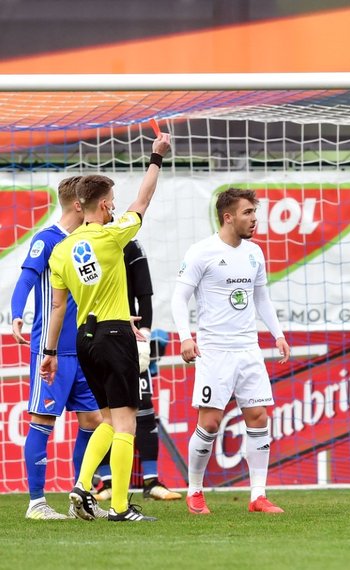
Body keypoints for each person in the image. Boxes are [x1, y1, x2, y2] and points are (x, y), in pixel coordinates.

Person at [40, 134, 172, 523]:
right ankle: (119, 507)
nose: (115, 207)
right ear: (102, 205)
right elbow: (143, 201)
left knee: (107, 419)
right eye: (112, 202)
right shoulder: (112, 234)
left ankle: (82, 487)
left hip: (84, 340)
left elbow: (59, 305)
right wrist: (156, 158)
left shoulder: (61, 250)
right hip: (115, 335)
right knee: (127, 420)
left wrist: (48, 354)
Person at [172, 187, 291, 515]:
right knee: (210, 423)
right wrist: (185, 337)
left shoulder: (254, 253)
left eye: (255, 212)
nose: (254, 219)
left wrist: (278, 335)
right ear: (228, 217)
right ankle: (194, 492)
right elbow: (178, 298)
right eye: (248, 213)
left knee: (258, 417)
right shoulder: (202, 252)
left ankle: (258, 495)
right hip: (215, 351)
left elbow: (261, 298)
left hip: (248, 350)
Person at [10, 176, 104, 520]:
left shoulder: (87, 242)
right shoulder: (47, 240)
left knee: (94, 420)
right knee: (43, 420)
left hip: (85, 351)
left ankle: (81, 498)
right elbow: (26, 279)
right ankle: (36, 503)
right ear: (78, 205)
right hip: (52, 352)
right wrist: (17, 314)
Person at [94, 239, 181, 502]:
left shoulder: (130, 246)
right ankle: (105, 482)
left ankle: (151, 482)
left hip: (128, 336)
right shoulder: (82, 244)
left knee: (142, 408)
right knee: (101, 414)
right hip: (94, 337)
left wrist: (143, 334)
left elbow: (144, 294)